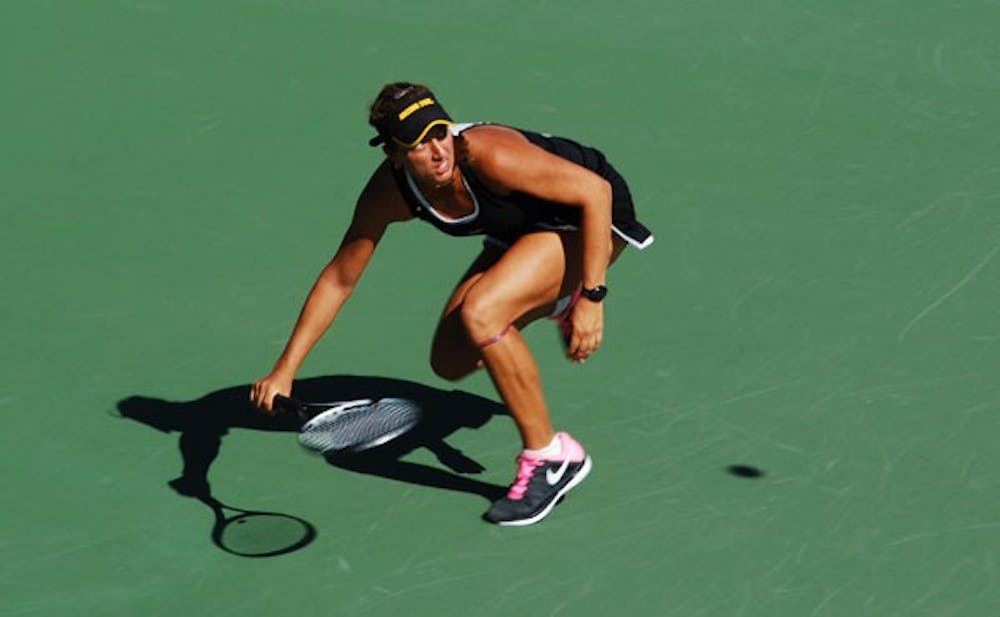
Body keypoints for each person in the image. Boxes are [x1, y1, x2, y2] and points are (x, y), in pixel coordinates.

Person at [251, 82, 653, 526]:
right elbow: (340, 278)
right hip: (525, 229)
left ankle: (551, 458)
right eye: (418, 144)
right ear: (394, 155)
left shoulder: (488, 155)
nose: (437, 150)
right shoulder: (390, 193)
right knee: (451, 357)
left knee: (484, 311)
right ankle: (556, 295)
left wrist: (593, 298)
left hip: (592, 215)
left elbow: (595, 193)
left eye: (438, 133)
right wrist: (286, 368)